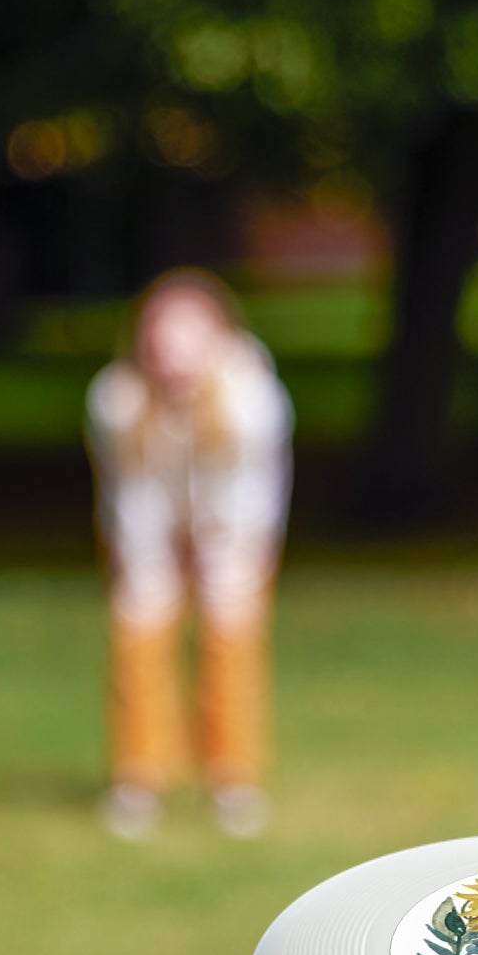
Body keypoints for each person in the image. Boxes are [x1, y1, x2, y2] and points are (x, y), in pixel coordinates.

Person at [86, 269, 293, 840]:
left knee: (231, 637)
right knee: (138, 630)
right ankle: (138, 778)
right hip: (148, 528)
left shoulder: (252, 398)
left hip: (234, 530)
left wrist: (218, 555)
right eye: (161, 337)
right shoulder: (117, 400)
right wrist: (151, 563)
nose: (173, 353)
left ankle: (233, 779)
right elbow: (130, 494)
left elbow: (250, 494)